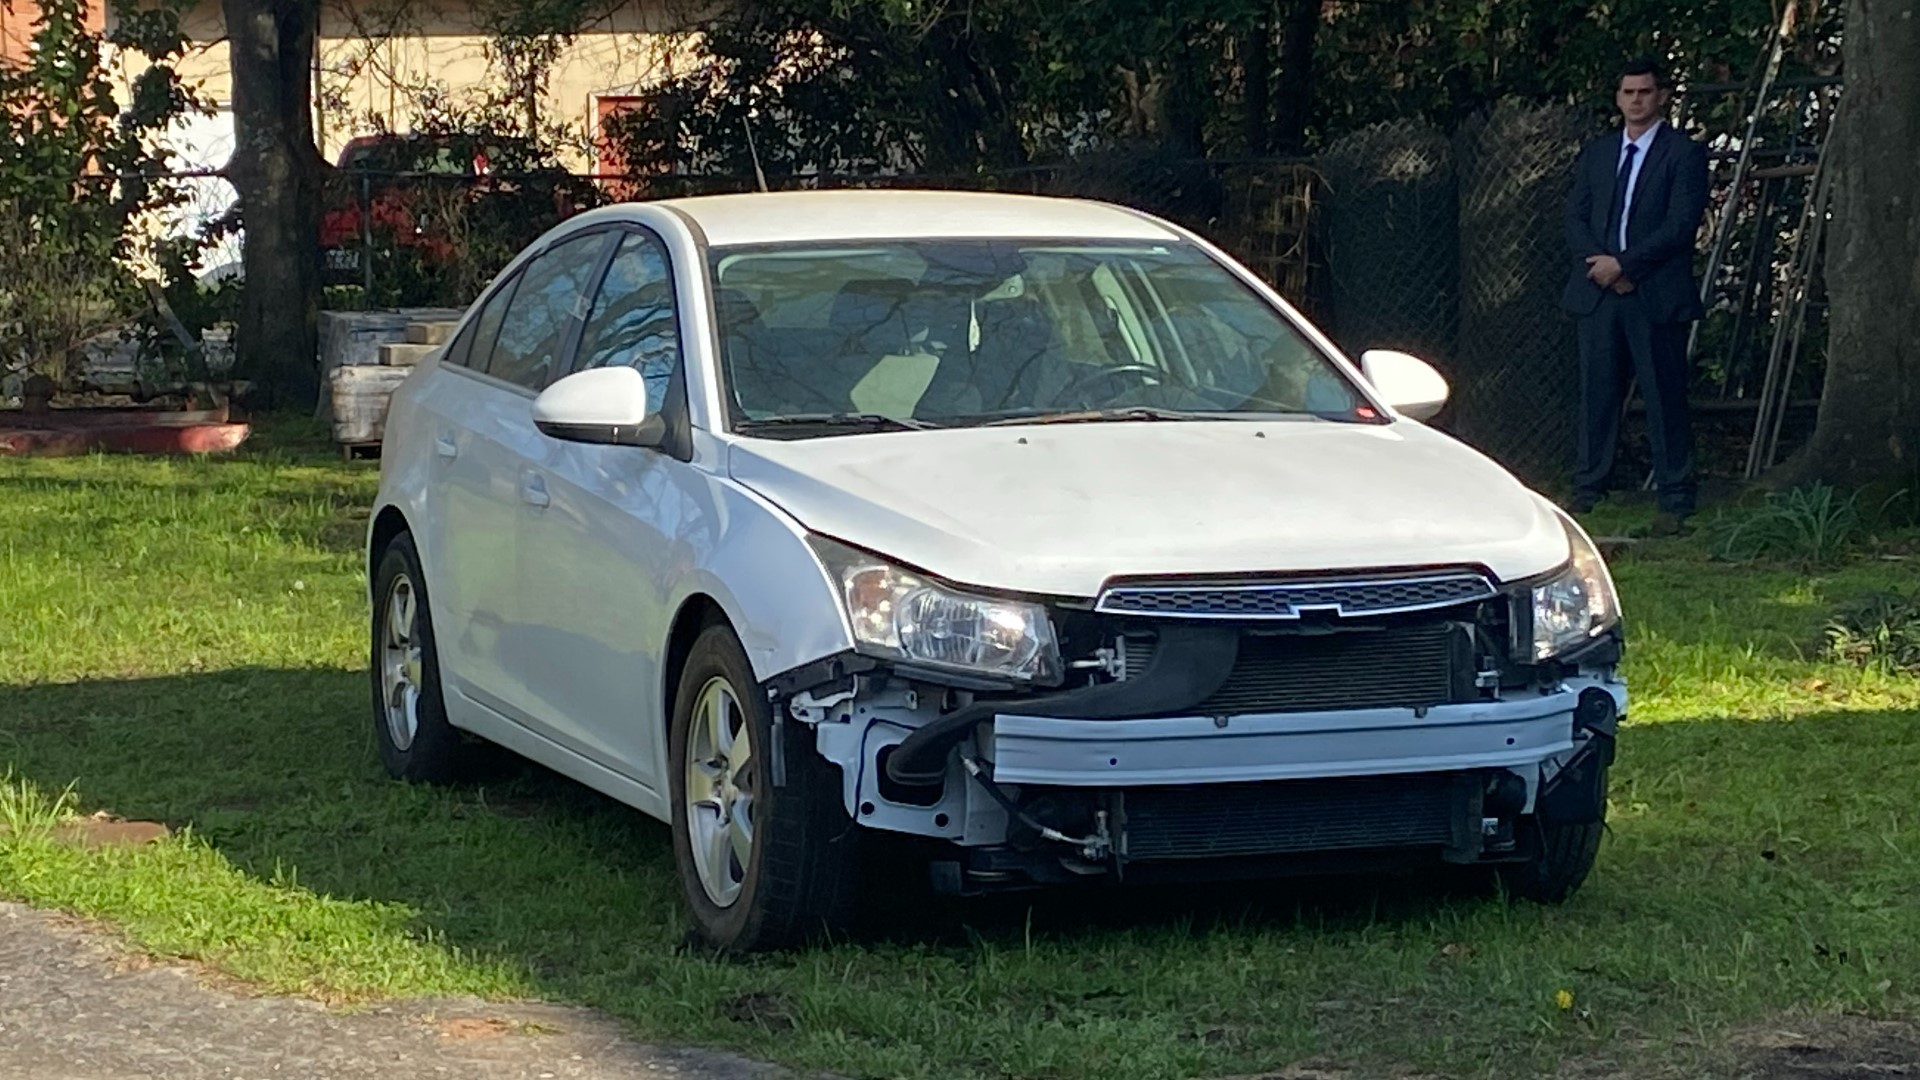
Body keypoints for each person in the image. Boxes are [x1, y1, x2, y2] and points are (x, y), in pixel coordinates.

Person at [1561, 57, 1709, 536]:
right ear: (1618, 98)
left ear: (1660, 96)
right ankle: (1589, 488)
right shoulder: (1598, 153)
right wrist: (1602, 266)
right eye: (1628, 92)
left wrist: (1626, 265)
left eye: (1645, 92)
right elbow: (1575, 218)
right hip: (1598, 292)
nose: (1636, 100)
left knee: (1664, 393)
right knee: (1596, 392)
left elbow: (1680, 224)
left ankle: (1676, 495)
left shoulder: (1682, 153)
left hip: (1654, 292)